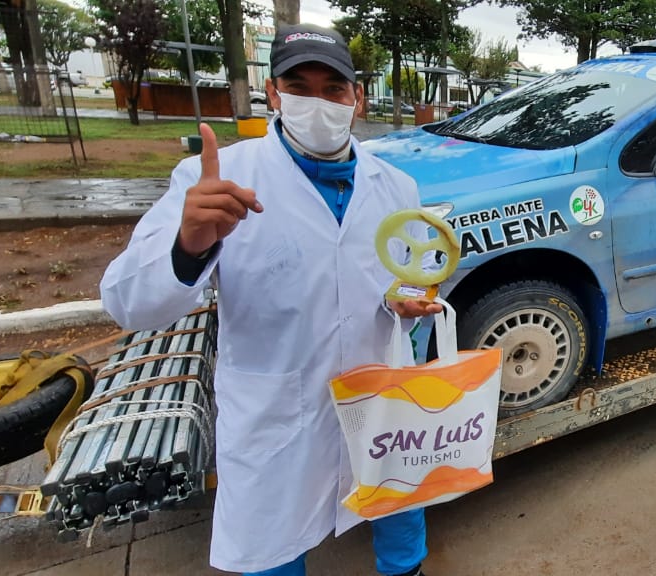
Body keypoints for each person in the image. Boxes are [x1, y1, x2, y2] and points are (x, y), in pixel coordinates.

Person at [101, 24, 441, 576]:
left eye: (333, 88)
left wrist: (405, 301)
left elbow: (404, 275)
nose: (317, 102)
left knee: (399, 520)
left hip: (379, 398)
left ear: (357, 98)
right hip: (279, 411)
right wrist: (188, 245)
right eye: (299, 86)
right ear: (273, 93)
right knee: (273, 551)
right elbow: (126, 303)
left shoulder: (396, 186)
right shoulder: (216, 180)